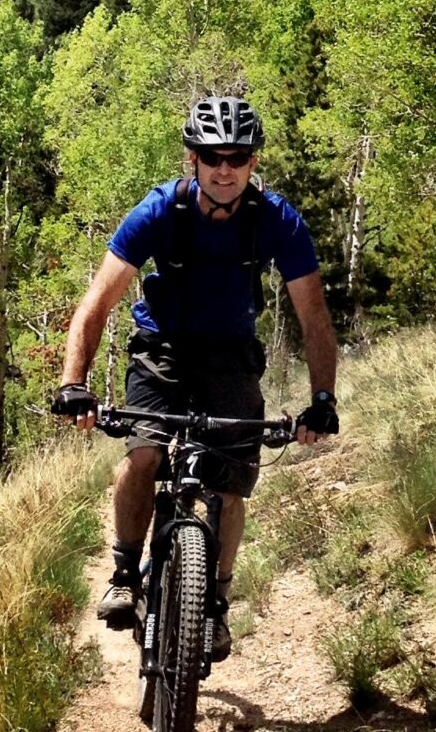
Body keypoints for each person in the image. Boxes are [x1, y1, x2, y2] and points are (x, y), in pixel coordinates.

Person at [59, 93, 340, 662]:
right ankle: (123, 573)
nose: (225, 168)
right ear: (193, 157)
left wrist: (322, 398)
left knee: (231, 484)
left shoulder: (276, 221)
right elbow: (97, 303)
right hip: (161, 348)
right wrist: (74, 383)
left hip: (231, 354)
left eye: (238, 157)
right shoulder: (160, 211)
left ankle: (215, 601)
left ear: (253, 162)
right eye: (213, 156)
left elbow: (313, 314)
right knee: (143, 456)